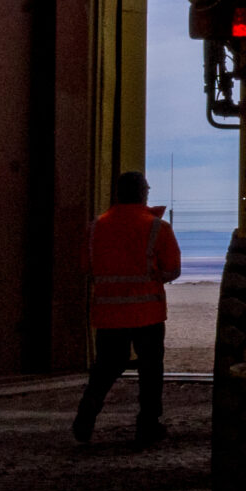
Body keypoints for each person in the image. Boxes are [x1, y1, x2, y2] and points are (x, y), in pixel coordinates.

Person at [72, 171, 181, 447]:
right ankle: (148, 425)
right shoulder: (158, 227)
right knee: (151, 370)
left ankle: (87, 413)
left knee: (106, 368)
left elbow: (86, 268)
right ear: (144, 193)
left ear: (117, 194)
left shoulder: (96, 227)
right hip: (148, 314)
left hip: (108, 314)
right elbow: (172, 269)